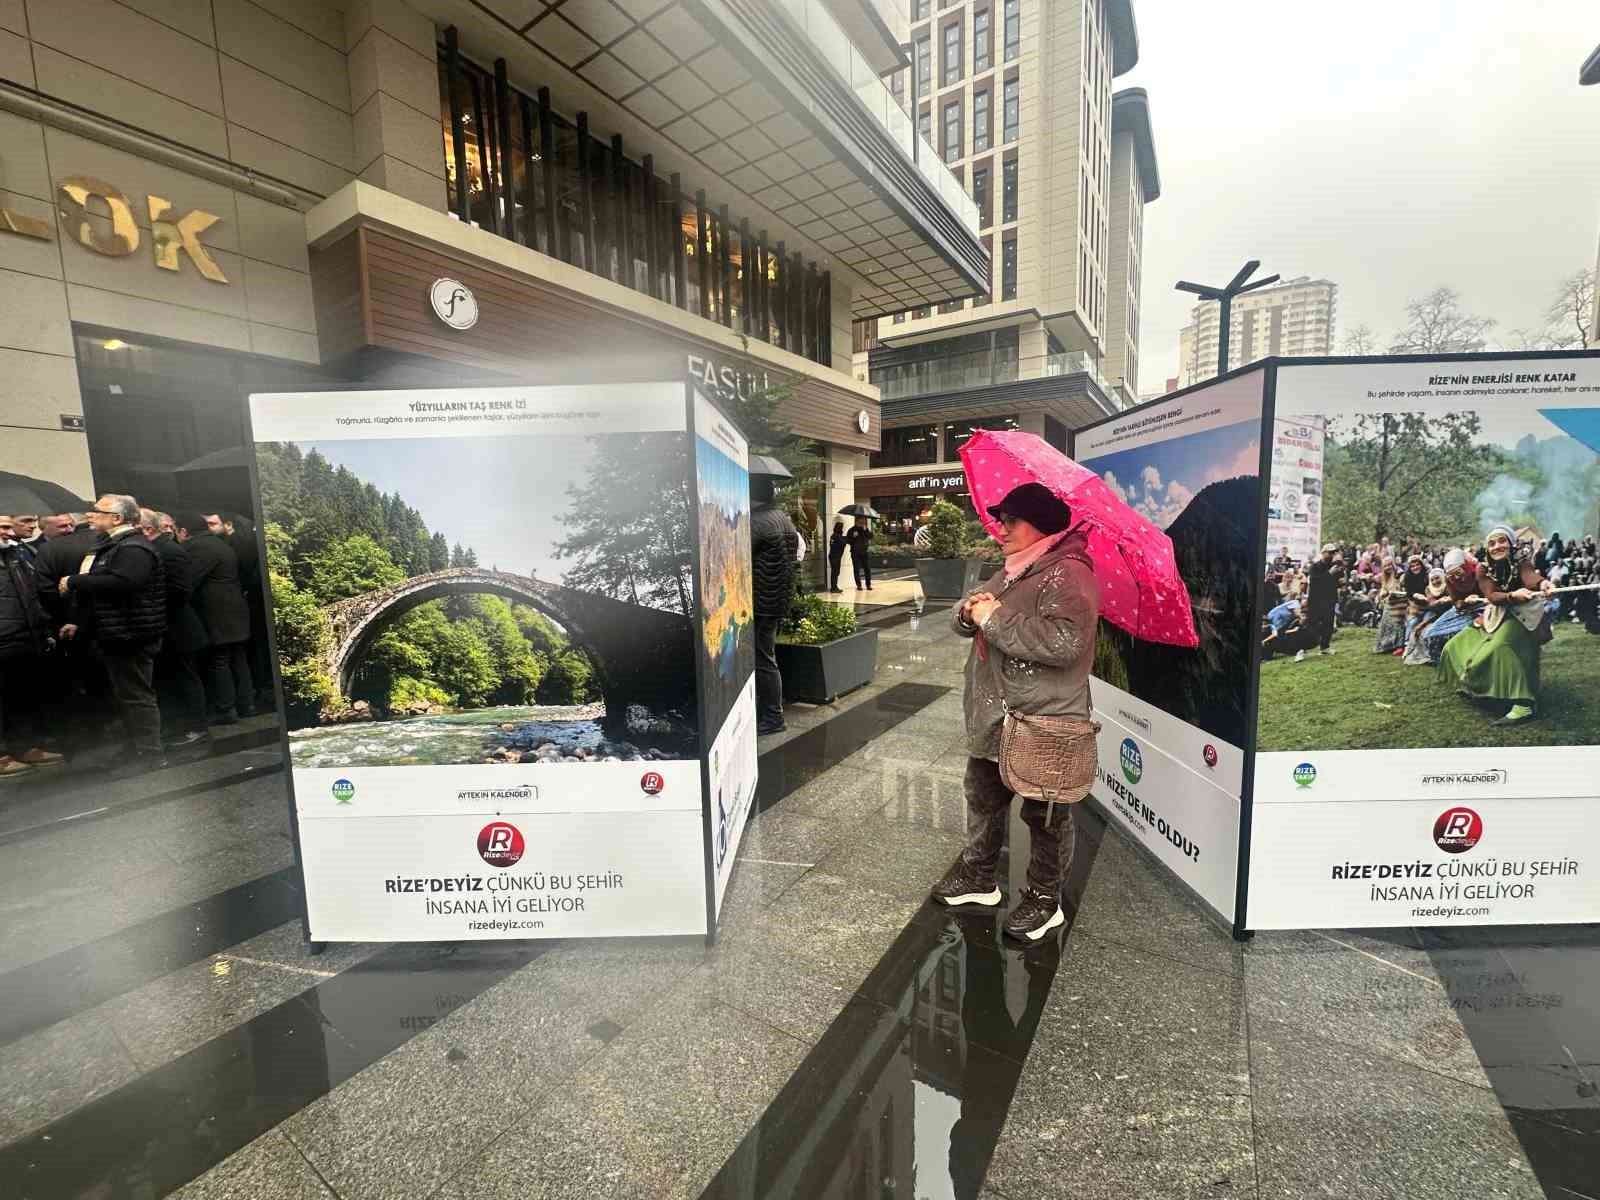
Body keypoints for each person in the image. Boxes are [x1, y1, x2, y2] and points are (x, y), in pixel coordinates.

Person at [933, 482, 1100, 942]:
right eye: (1000, 520)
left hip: (1045, 721)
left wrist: (993, 618)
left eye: (1011, 521)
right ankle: (978, 877)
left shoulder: (1069, 574)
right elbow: (969, 612)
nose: (1000, 530)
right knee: (983, 795)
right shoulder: (1015, 569)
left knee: (1045, 816)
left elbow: (1066, 643)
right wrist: (968, 614)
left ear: (1039, 525)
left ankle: (1045, 900)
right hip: (999, 716)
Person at [58, 494, 167, 767]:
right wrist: (80, 620)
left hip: (131, 633)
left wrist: (75, 581)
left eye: (97, 511)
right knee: (128, 694)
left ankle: (150, 754)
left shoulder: (132, 548)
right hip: (119, 631)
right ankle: (138, 748)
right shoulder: (115, 545)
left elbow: (125, 581)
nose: (90, 515)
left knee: (136, 695)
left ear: (117, 518)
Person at [1439, 524, 1554, 725]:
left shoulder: (1521, 560)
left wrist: (1542, 584)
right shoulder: (1482, 568)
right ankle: (1474, 686)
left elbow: (1529, 577)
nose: (1496, 546)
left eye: (1502, 541)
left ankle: (1524, 704)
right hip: (1497, 612)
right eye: (1491, 543)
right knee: (1455, 645)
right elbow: (1492, 595)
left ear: (1511, 544)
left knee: (1500, 647)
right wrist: (1511, 595)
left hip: (1524, 615)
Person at [0, 514, 64, 778]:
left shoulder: (14, 556)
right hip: (5, 636)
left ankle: (25, 747)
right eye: (2, 527)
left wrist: (42, 628)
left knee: (20, 697)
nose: (8, 532)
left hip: (22, 636)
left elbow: (29, 594)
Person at [177, 511, 254, 725]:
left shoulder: (198, 547)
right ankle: (247, 705)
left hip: (216, 613)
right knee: (238, 659)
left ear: (184, 531)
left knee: (219, 660)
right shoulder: (221, 544)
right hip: (235, 610)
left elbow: (189, 581)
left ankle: (226, 709)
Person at [142, 509, 209, 750]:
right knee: (174, 678)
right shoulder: (162, 549)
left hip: (178, 627)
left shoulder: (169, 551)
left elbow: (181, 590)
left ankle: (197, 727)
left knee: (185, 677)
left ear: (148, 529)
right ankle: (184, 725)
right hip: (171, 626)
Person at [749, 479, 799, 735]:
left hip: (761, 601)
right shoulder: (783, 518)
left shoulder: (756, 523)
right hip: (777, 600)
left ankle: (773, 718)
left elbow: (737, 555)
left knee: (763, 660)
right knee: (767, 656)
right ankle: (768, 712)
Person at [1294, 542, 1340, 662]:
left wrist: (1339, 571)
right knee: (1310, 626)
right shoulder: (1315, 567)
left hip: (1329, 600)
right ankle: (1300, 650)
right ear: (1323, 553)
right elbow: (1316, 582)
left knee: (1328, 625)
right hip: (1316, 601)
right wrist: (1330, 574)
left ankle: (1325, 647)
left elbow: (1337, 582)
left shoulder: (1334, 566)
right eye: (1329, 553)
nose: (1331, 555)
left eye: (1333, 553)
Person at [844, 515, 872, 590]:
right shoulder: (851, 530)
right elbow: (848, 541)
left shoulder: (865, 529)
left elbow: (870, 536)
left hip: (864, 552)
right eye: (862, 520)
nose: (863, 522)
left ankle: (868, 585)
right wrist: (854, 537)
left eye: (864, 520)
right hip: (855, 552)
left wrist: (866, 530)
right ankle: (859, 585)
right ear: (857, 521)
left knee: (867, 569)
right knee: (856, 569)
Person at [828, 520, 847, 594]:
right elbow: (843, 543)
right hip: (835, 557)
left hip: (834, 556)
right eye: (841, 527)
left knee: (835, 572)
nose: (842, 529)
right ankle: (834, 588)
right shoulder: (836, 536)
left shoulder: (834, 535)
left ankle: (834, 587)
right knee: (835, 572)